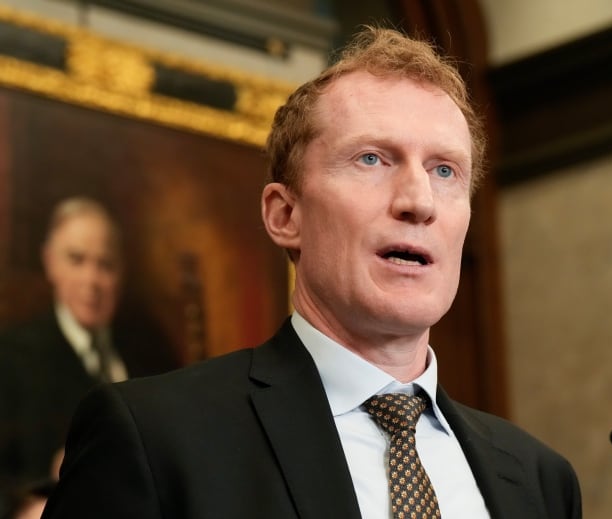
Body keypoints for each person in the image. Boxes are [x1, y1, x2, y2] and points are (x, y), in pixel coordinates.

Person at [41, 27, 582, 518]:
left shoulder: (538, 481)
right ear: (285, 215)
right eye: (373, 159)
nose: (419, 200)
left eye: (445, 170)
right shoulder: (156, 439)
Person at [0, 197, 176, 515]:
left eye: (105, 265)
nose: (91, 281)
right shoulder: (11, 357)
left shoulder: (150, 355)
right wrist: (22, 507)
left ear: (121, 273)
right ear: (50, 261)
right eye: (76, 260)